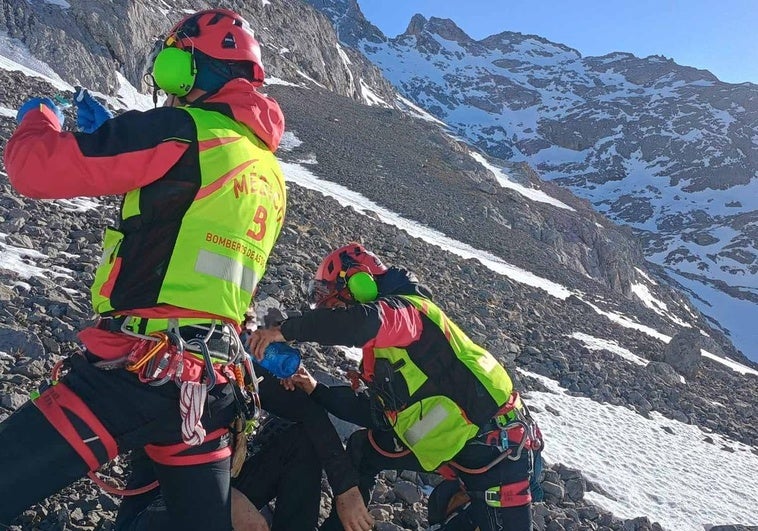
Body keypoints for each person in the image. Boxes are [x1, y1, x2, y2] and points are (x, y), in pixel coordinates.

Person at [0, 8, 288, 529]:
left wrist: (38, 117)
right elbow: (181, 210)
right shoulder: (266, 167)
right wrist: (114, 133)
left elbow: (33, 169)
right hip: (209, 390)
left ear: (190, 71)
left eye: (171, 67)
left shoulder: (179, 129)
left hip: (134, 373)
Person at [249, 243, 543, 531]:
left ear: (361, 284)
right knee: (364, 448)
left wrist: (285, 329)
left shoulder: (407, 313)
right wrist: (316, 389)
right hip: (457, 447)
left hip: (497, 453)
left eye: (334, 302)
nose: (332, 311)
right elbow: (379, 415)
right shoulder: (386, 349)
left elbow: (361, 323)